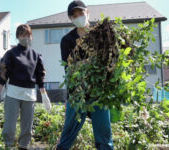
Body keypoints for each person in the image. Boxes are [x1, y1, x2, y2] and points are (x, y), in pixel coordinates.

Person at [56, 1, 114, 150]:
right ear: (71, 19)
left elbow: (110, 61)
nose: (78, 17)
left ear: (87, 12)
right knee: (68, 134)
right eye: (74, 15)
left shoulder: (101, 34)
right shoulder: (67, 40)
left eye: (81, 13)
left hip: (99, 93)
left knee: (104, 135)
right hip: (77, 93)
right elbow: (69, 69)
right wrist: (90, 63)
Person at [0, 24, 52, 150]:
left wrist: (44, 95)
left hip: (30, 95)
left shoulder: (36, 55)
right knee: (9, 126)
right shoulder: (11, 54)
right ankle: (8, 146)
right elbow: (3, 74)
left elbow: (40, 77)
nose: (25, 37)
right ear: (17, 37)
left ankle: (23, 147)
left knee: (27, 127)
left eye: (27, 35)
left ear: (31, 36)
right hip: (13, 94)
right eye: (22, 35)